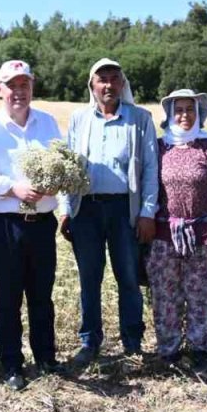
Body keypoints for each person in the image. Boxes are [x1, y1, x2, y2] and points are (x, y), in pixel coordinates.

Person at [58, 58, 159, 368]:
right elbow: (67, 167)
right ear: (92, 85)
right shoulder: (78, 119)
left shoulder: (140, 119)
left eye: (115, 79)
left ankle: (132, 342)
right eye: (102, 79)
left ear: (122, 84)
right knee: (90, 278)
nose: (109, 85)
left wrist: (147, 212)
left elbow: (151, 168)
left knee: (128, 277)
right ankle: (90, 342)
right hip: (85, 209)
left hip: (123, 210)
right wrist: (65, 209)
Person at [0, 60, 64, 391]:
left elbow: (61, 163)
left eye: (24, 85)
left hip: (42, 223)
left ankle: (46, 359)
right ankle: (11, 364)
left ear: (32, 87)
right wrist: (14, 188)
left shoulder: (48, 123)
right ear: (0, 90)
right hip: (5, 224)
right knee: (8, 297)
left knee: (42, 294)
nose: (18, 92)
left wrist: (57, 184)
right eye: (11, 86)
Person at [147, 89, 207, 369]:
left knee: (203, 295)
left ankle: (202, 351)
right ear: (169, 114)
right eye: (178, 110)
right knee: (165, 294)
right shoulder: (158, 148)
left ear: (199, 113)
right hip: (163, 235)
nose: (184, 115)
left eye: (189, 109)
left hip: (202, 235)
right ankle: (169, 352)